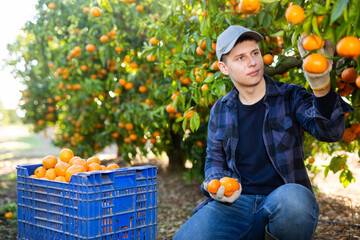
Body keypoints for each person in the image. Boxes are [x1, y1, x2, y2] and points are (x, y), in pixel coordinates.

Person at [173, 25, 354, 240]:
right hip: (237, 204)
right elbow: (214, 160)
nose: (252, 62)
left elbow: (331, 132)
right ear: (223, 67)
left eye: (255, 53)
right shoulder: (220, 109)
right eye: (240, 58)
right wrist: (216, 184)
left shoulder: (290, 96)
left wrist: (321, 87)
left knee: (296, 200)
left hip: (282, 201)